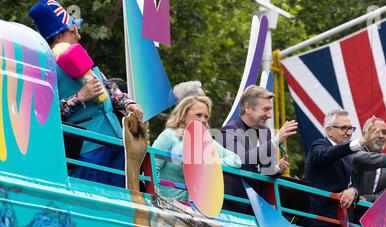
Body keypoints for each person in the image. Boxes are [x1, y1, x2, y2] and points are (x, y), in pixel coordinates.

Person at [28, 1, 143, 187]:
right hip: (87, 150)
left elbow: (107, 86)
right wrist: (79, 97)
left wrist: (128, 104)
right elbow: (45, 114)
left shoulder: (81, 57)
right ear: (58, 36)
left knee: (122, 202)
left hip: (115, 140)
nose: (78, 36)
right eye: (73, 31)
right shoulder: (46, 68)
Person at [220, 85, 298, 214]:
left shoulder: (265, 132)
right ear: (248, 108)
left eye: (270, 109)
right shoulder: (229, 131)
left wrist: (277, 168)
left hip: (258, 208)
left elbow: (265, 170)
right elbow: (240, 160)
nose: (269, 115)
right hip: (233, 205)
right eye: (265, 109)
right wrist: (276, 140)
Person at [152, 95, 241, 201]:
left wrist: (209, 162)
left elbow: (236, 160)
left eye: (206, 116)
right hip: (164, 206)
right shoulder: (169, 136)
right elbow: (151, 170)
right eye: (198, 115)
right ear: (183, 115)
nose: (203, 120)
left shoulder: (209, 143)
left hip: (196, 211)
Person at [304, 109, 380, 227]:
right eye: (344, 128)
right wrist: (360, 142)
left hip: (342, 224)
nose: (349, 133)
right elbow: (326, 155)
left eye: (351, 129)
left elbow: (355, 185)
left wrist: (353, 191)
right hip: (318, 222)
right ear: (329, 130)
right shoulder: (318, 146)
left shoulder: (349, 157)